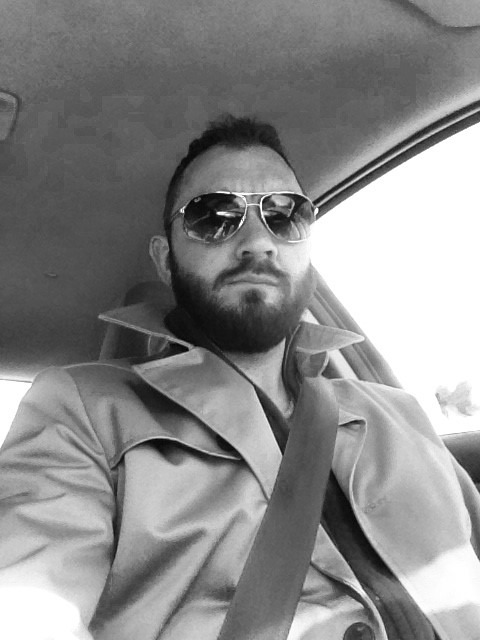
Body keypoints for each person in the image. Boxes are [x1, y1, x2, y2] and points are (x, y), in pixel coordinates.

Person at [1, 115, 480, 640]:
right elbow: (30, 603)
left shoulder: (398, 411)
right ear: (165, 259)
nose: (257, 241)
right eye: (213, 216)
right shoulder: (83, 411)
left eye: (284, 214)